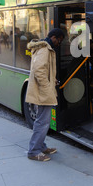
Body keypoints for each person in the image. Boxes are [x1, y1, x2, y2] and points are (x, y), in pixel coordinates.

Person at [25, 28, 64, 162]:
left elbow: (44, 71)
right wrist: (47, 87)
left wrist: (53, 81)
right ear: (54, 37)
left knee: (42, 121)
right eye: (59, 40)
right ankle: (34, 151)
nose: (59, 43)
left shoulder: (44, 48)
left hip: (43, 91)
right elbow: (39, 70)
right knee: (42, 122)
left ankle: (41, 146)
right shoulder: (45, 49)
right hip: (43, 93)